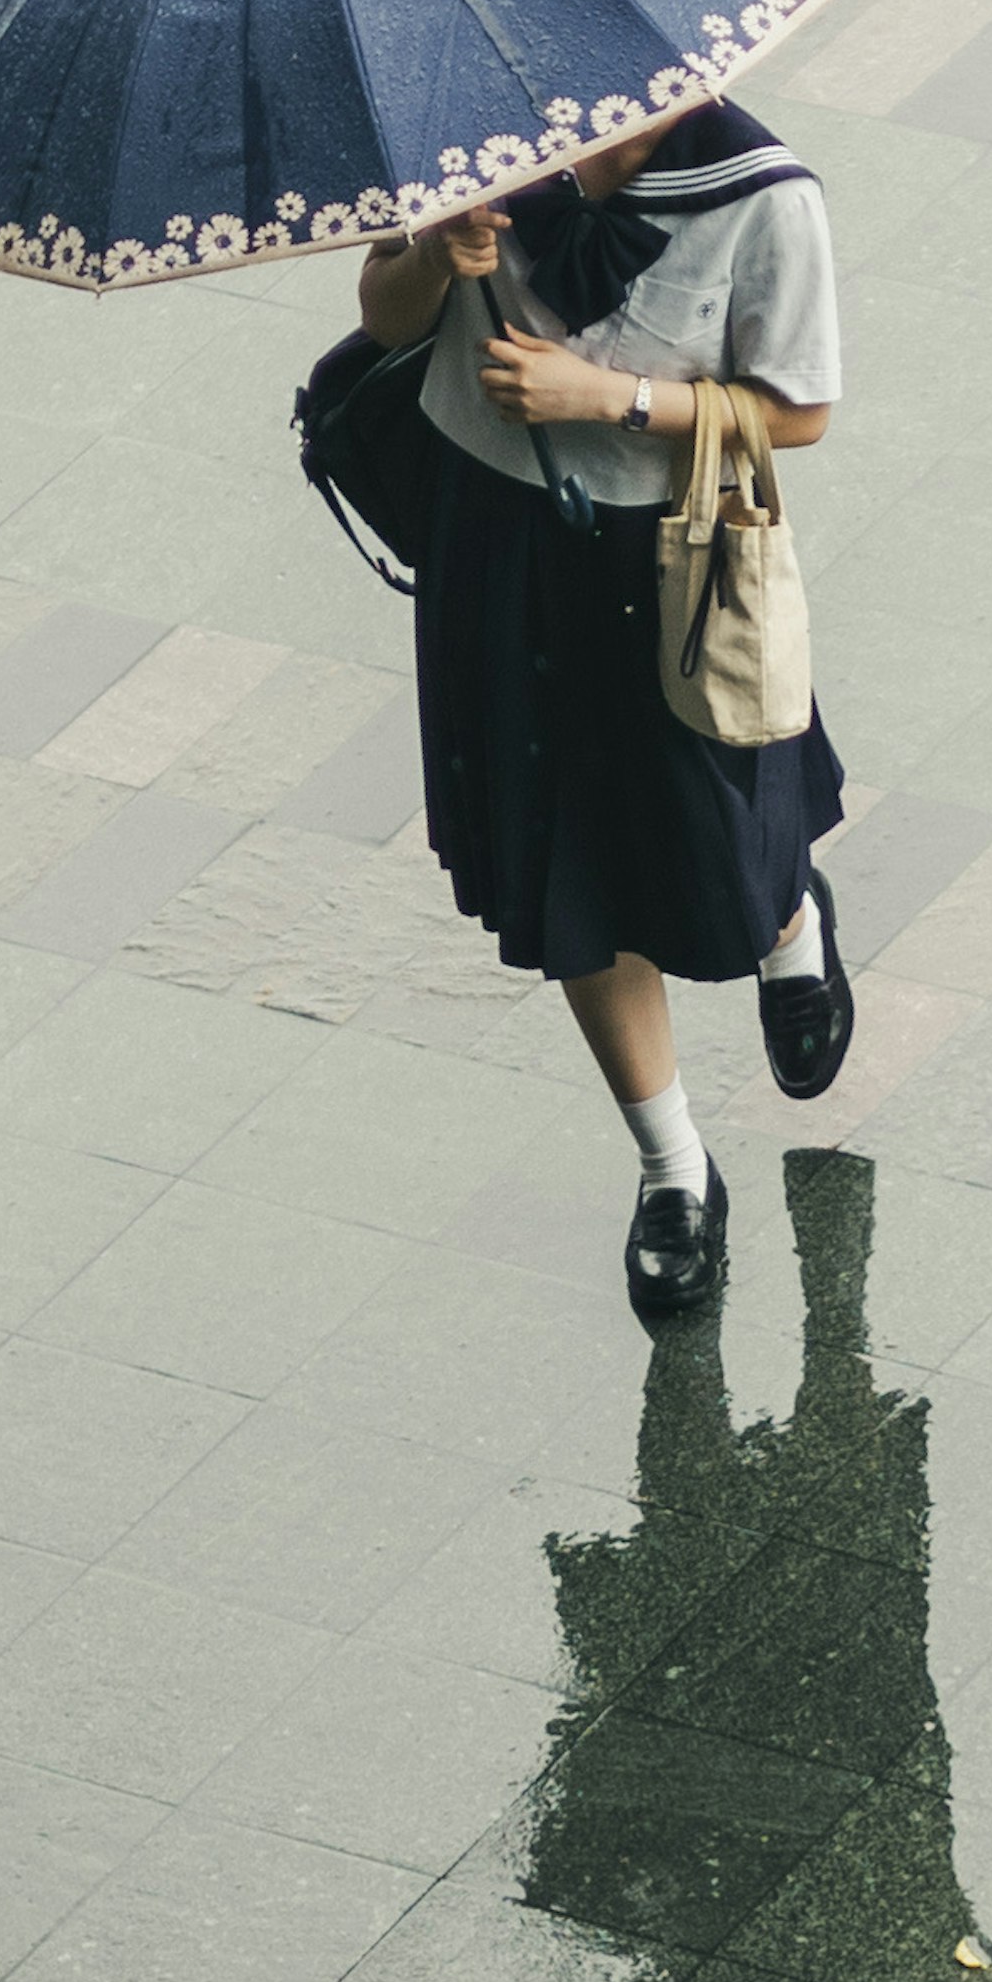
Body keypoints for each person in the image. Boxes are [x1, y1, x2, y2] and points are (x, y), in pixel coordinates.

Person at [357, 92, 852, 1320]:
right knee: (576, 865)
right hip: (500, 546)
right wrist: (434, 251)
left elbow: (799, 411)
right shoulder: (469, 140)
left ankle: (789, 924)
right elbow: (382, 322)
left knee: (722, 824)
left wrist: (609, 398)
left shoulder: (764, 195)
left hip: (669, 551)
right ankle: (672, 1168)